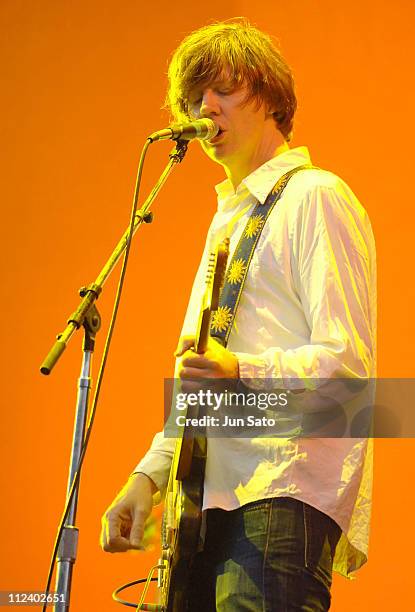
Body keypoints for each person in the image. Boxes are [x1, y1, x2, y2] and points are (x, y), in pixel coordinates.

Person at [100, 19, 376, 611]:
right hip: (205, 510)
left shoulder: (315, 196)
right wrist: (148, 476)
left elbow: (351, 371)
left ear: (271, 97)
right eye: (194, 97)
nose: (204, 108)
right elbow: (205, 383)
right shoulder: (226, 223)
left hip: (281, 496)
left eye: (221, 89)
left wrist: (240, 369)